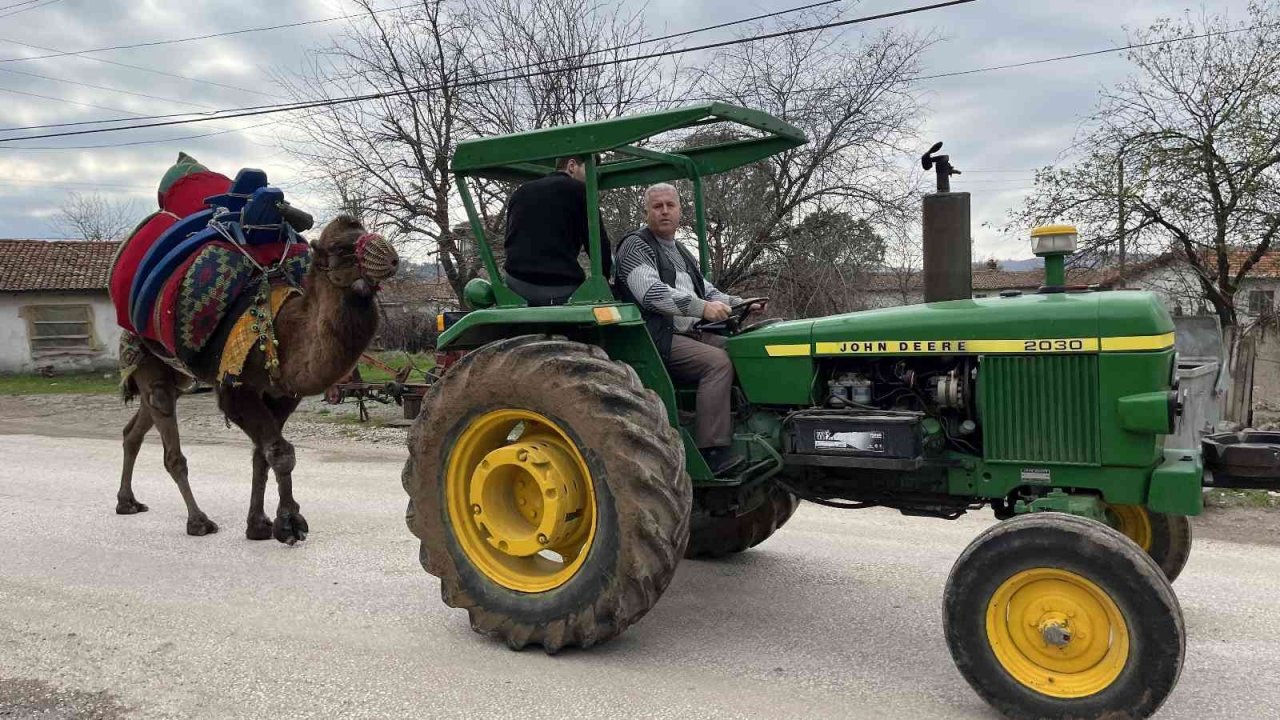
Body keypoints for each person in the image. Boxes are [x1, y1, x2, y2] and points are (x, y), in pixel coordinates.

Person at [614, 182, 765, 474]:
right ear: (646, 211)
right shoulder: (635, 246)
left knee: (744, 349)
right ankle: (712, 451)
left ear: (680, 210)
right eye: (657, 206)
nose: (665, 211)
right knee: (717, 363)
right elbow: (651, 293)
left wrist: (740, 302)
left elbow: (705, 290)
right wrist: (701, 308)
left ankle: (750, 426)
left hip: (688, 334)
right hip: (655, 337)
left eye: (670, 205)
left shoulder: (680, 251)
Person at [502, 155, 611, 306]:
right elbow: (598, 245)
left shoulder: (521, 192)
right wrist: (605, 279)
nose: (592, 178)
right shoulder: (581, 192)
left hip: (516, 283)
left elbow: (509, 239)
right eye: (590, 171)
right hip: (560, 286)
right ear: (572, 165)